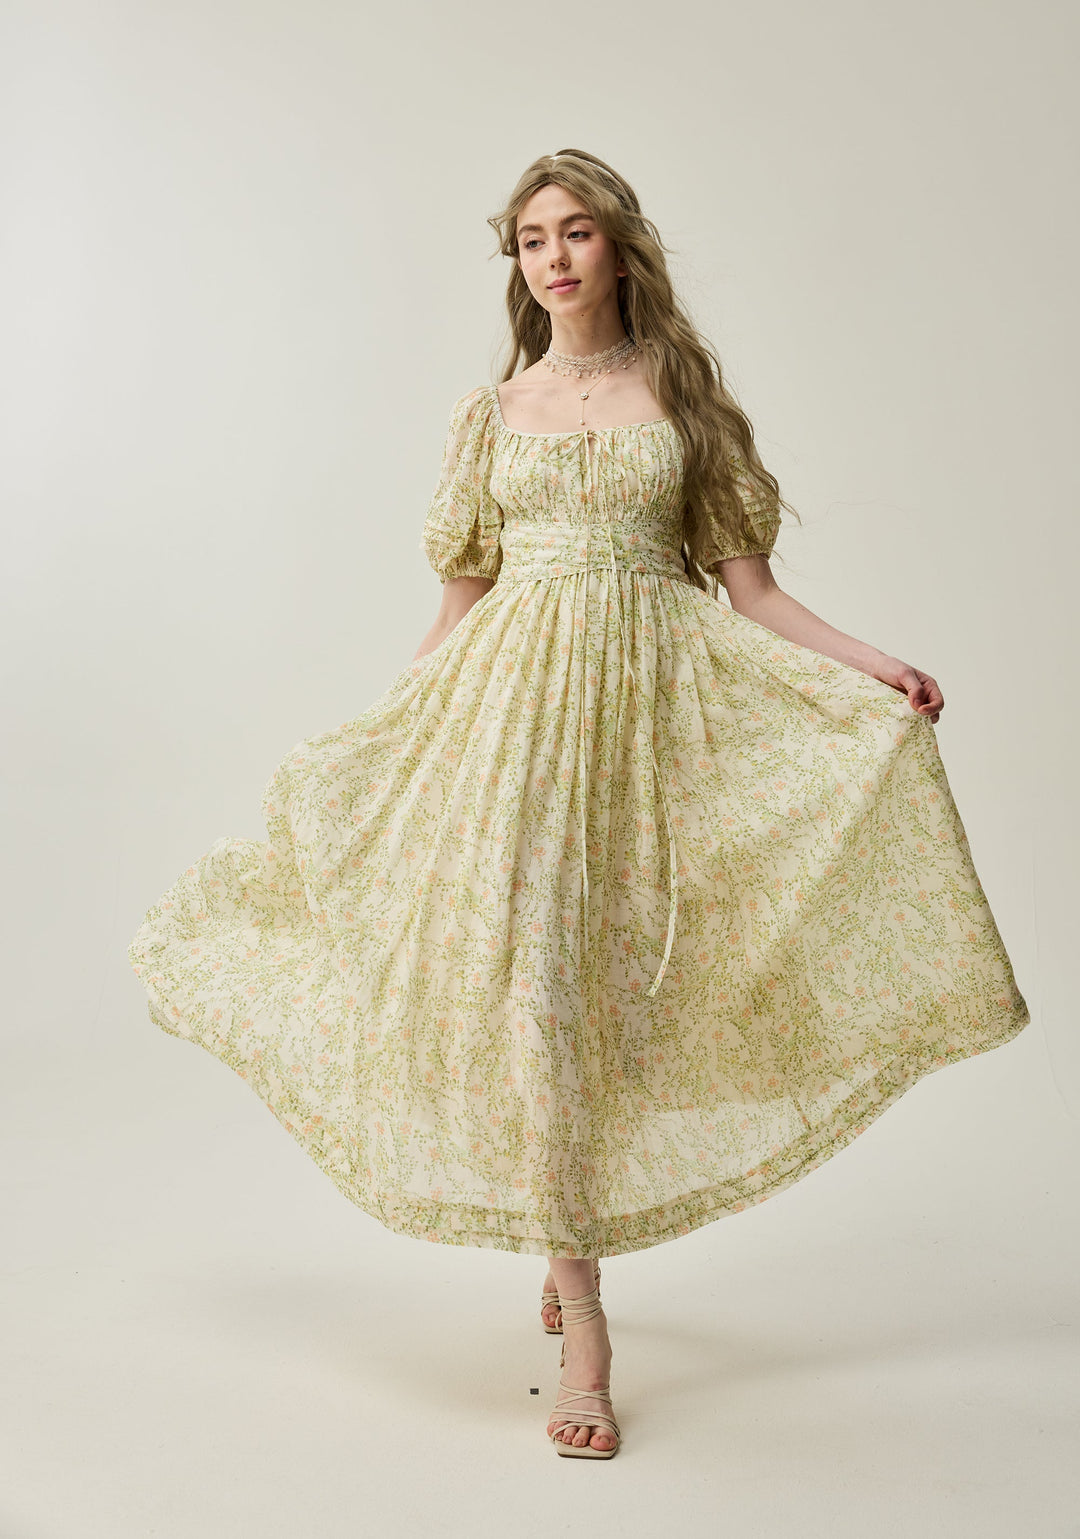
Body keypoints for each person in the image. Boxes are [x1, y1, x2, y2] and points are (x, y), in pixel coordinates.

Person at [128, 147, 1030, 1461]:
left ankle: (568, 1235)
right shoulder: (492, 414)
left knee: (624, 996)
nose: (554, 257)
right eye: (532, 239)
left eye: (577, 233)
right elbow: (460, 603)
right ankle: (588, 1326)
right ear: (519, 262)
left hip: (649, 729)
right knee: (541, 996)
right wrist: (391, 738)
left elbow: (751, 592)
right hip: (512, 730)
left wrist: (872, 664)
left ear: (618, 247)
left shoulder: (686, 396)